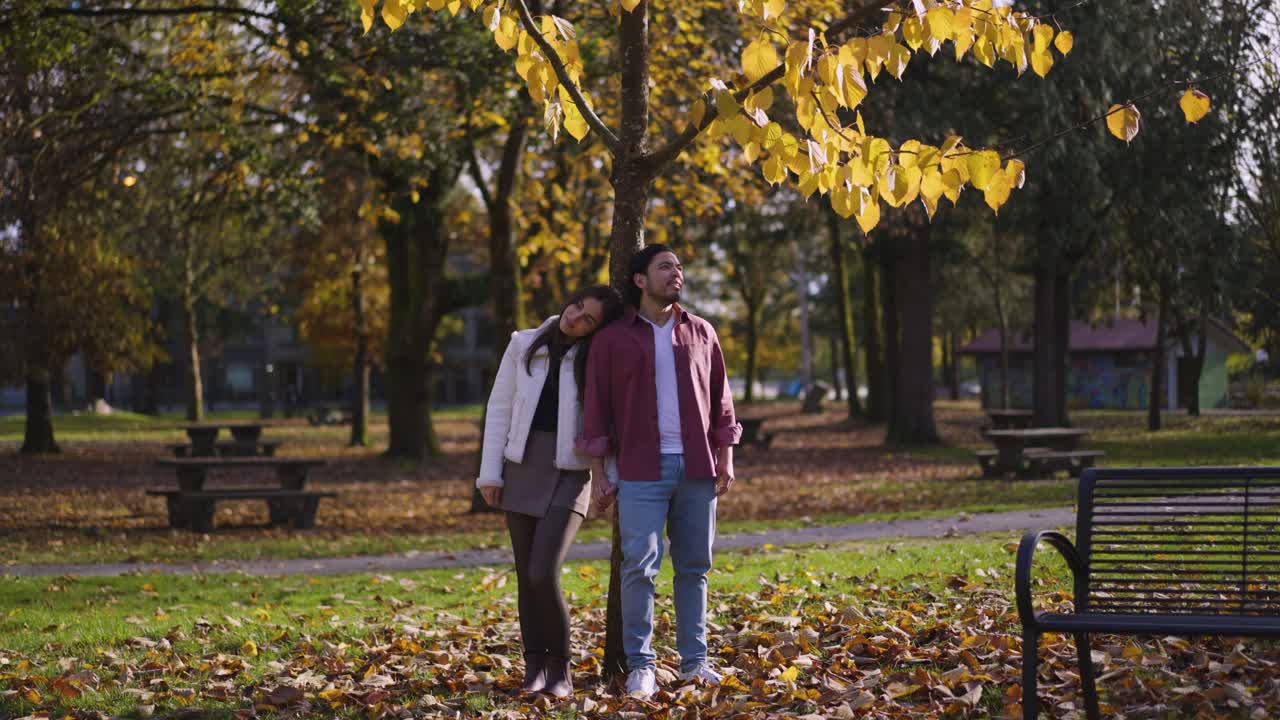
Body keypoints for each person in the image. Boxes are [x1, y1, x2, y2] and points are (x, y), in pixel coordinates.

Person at [578, 244, 742, 698]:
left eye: (680, 267)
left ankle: (695, 663)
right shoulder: (612, 339)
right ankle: (641, 667)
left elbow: (721, 397)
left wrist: (726, 457)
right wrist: (598, 473)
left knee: (695, 566)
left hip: (698, 467)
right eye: (665, 267)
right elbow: (596, 408)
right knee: (639, 567)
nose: (677, 274)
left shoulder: (702, 331)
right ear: (640, 280)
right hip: (639, 469)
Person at [476, 285, 625, 698]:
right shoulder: (522, 343)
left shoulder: (596, 357)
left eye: (588, 318)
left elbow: (608, 421)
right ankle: (534, 668)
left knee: (543, 570)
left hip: (571, 472)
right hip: (521, 466)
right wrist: (490, 474)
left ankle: (561, 668)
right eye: (577, 306)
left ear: (597, 329)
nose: (575, 317)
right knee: (526, 576)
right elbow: (499, 408)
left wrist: (607, 477)